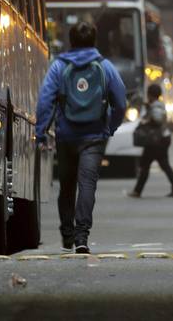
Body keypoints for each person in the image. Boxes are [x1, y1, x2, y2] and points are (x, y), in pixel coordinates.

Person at [36, 21, 127, 254]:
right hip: (94, 136)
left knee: (66, 186)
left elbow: (45, 100)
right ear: (94, 40)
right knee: (87, 185)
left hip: (66, 136)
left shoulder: (59, 66)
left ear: (71, 40)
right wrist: (110, 127)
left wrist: (41, 132)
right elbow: (120, 102)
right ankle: (81, 237)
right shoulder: (105, 66)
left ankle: (67, 236)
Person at [127, 84, 173, 198]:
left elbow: (157, 120)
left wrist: (147, 118)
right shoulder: (157, 105)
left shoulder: (156, 106)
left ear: (150, 95)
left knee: (146, 165)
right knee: (161, 165)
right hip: (159, 140)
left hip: (157, 141)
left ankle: (137, 191)